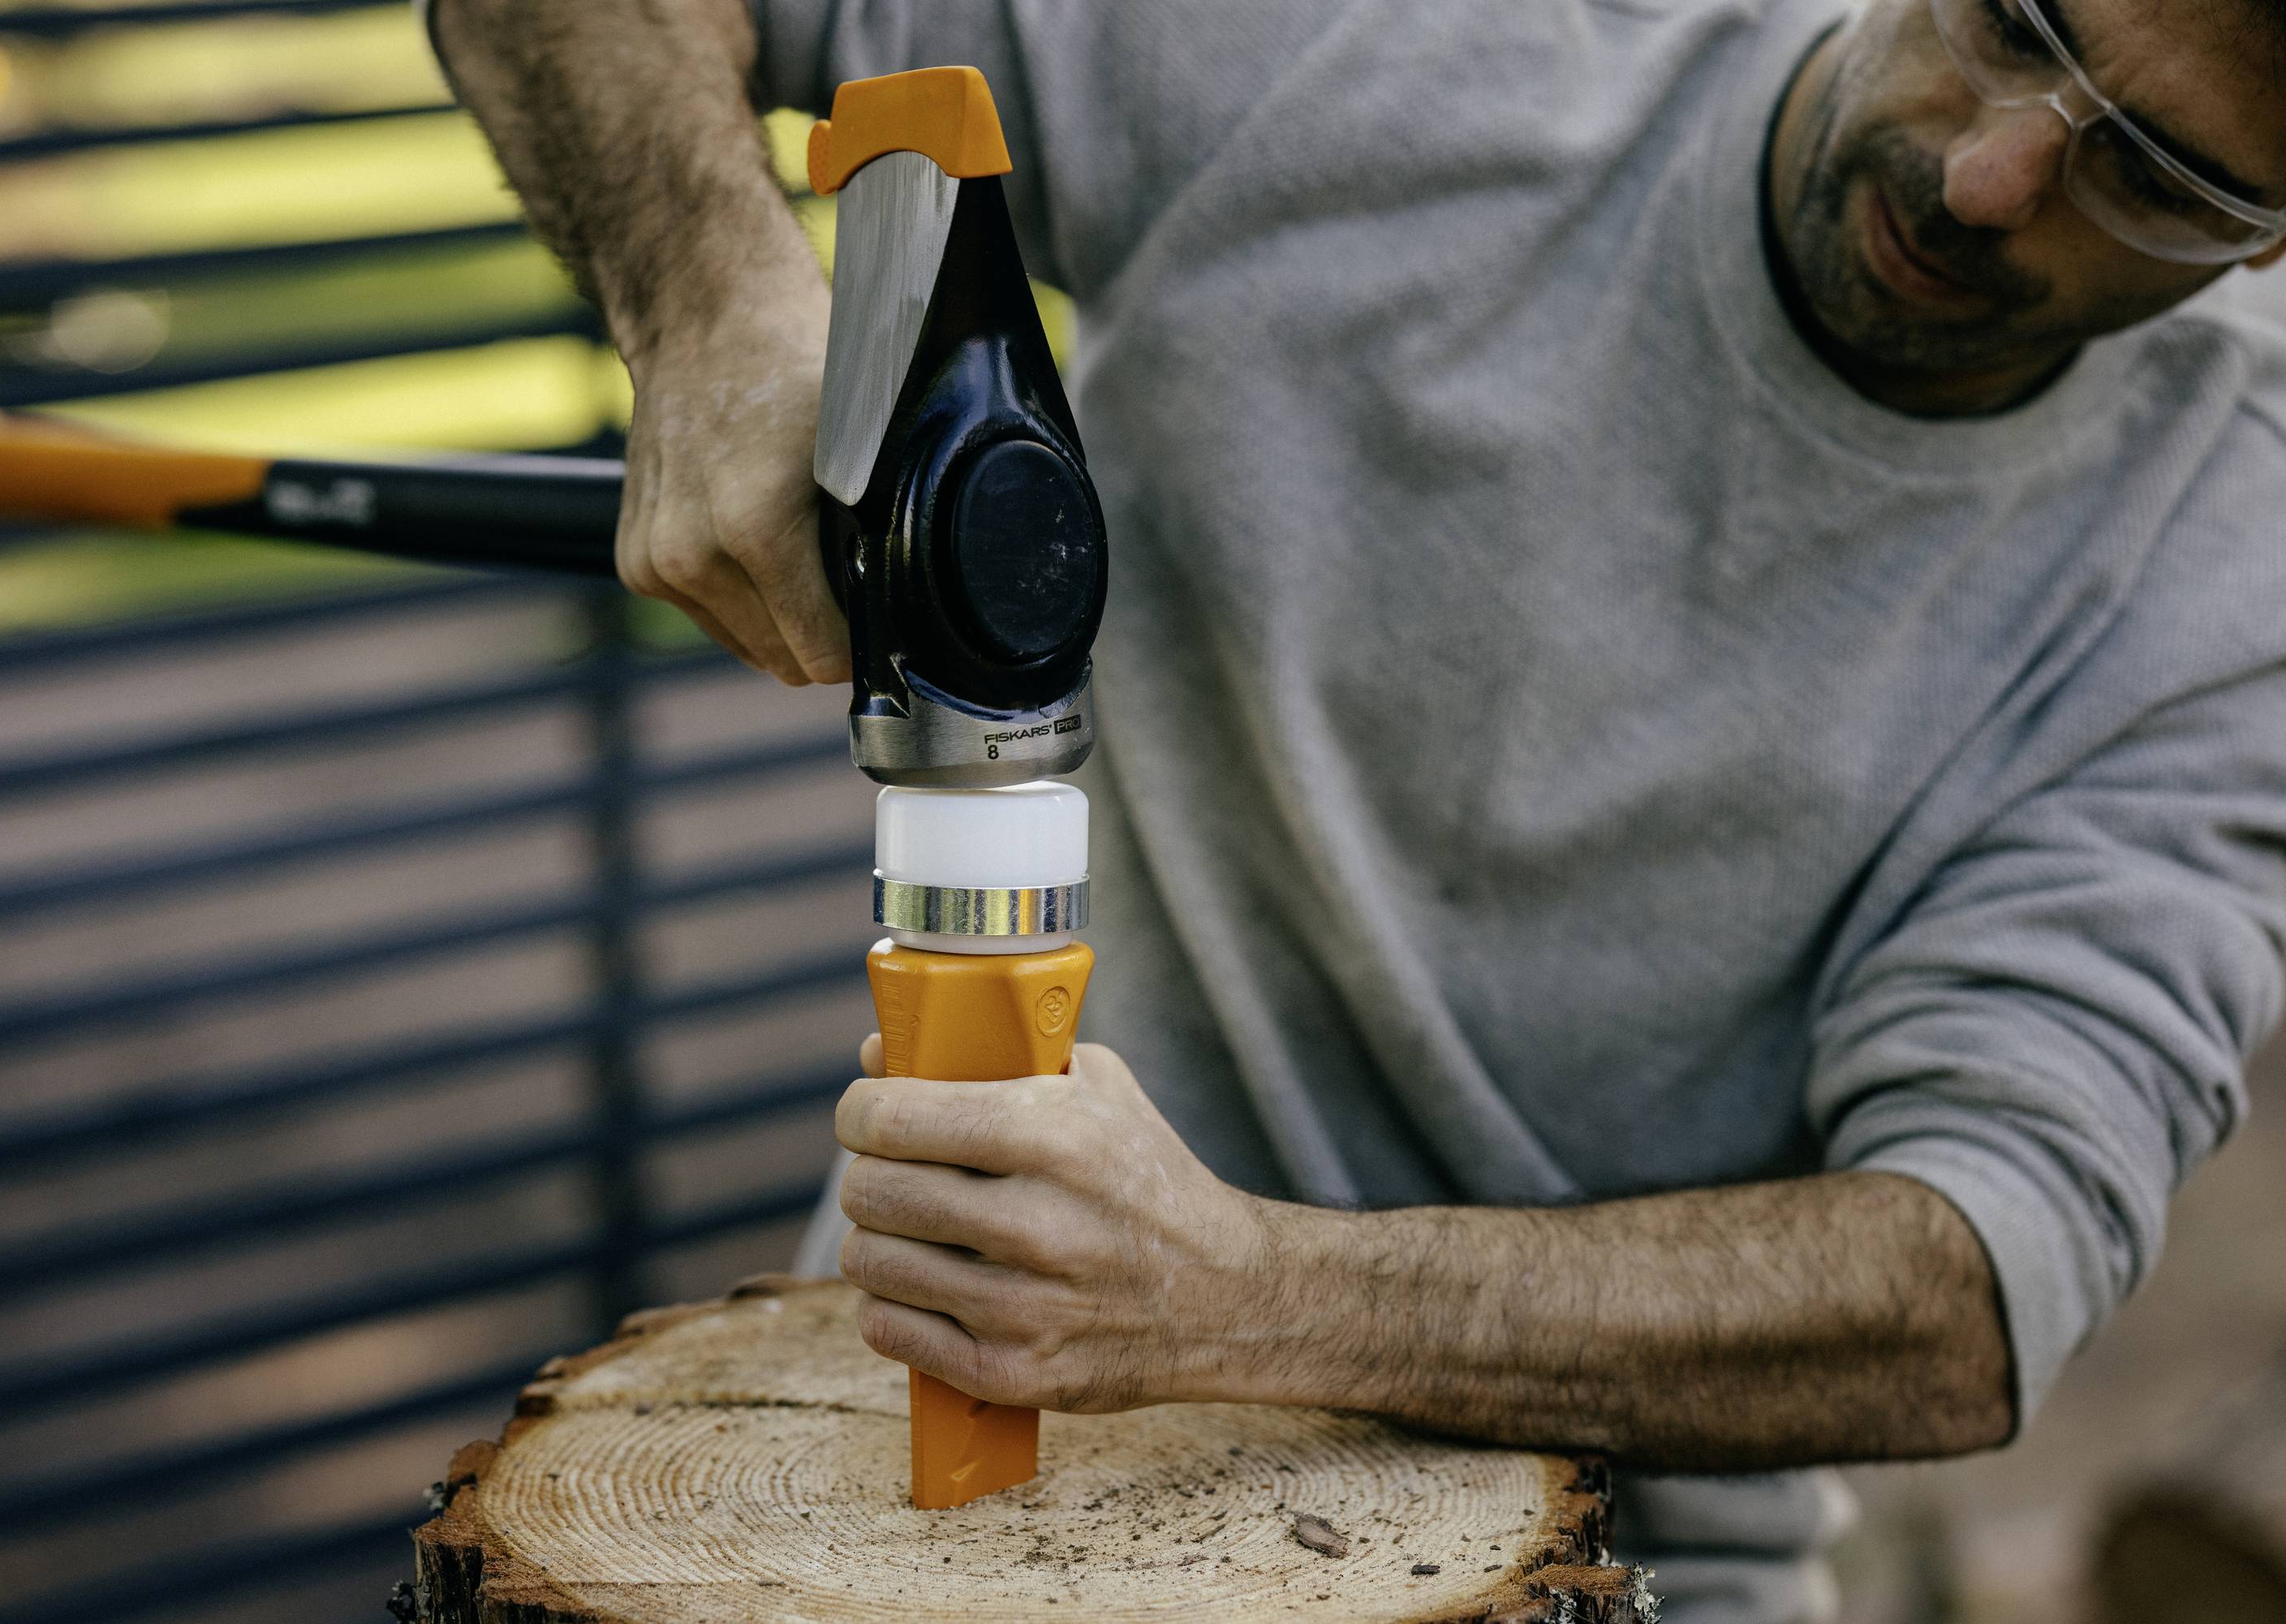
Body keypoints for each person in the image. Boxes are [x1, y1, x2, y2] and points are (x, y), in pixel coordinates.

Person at [422, 0, 2286, 1616]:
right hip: (886, 1466)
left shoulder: (2222, 574)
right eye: (2018, 24)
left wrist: (1236, 1298)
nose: (1993, 175)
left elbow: (1961, 1281)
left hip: (1596, 1578)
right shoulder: (1396, 45)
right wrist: (713, 303)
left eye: (2164, 178)